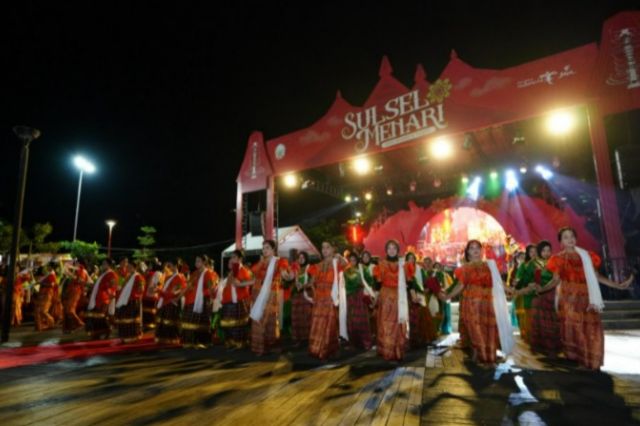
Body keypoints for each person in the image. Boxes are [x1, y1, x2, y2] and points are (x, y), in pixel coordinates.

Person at [545, 227, 633, 370]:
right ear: (560, 241)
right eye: (566, 237)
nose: (570, 239)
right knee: (576, 329)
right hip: (568, 300)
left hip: (587, 298)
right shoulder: (558, 259)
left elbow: (597, 277)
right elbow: (555, 281)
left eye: (572, 236)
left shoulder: (586, 256)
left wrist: (617, 285)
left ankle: (591, 360)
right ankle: (580, 359)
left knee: (591, 328)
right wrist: (542, 289)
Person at [446, 240, 515, 366]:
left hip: (488, 303)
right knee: (476, 329)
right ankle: (482, 355)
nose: (475, 250)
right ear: (468, 252)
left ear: (482, 250)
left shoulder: (490, 266)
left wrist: (511, 290)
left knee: (489, 329)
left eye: (477, 247)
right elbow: (460, 285)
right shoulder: (465, 268)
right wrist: (448, 296)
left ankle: (489, 355)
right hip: (471, 303)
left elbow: (499, 282)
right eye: (471, 248)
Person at [373, 240, 413, 361]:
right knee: (385, 323)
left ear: (397, 250)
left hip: (400, 297)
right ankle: (387, 350)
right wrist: (375, 298)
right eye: (389, 248)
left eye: (394, 248)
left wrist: (414, 295)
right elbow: (377, 284)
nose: (391, 250)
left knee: (398, 323)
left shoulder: (404, 264)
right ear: (386, 250)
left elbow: (410, 283)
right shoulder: (381, 265)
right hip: (385, 297)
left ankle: (398, 349)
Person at [250, 241, 291, 356]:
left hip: (271, 294)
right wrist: (261, 262)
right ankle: (260, 348)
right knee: (258, 318)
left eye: (267, 248)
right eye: (263, 248)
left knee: (270, 319)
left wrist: (288, 276)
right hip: (258, 293)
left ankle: (272, 346)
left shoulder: (279, 261)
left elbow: (284, 273)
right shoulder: (261, 263)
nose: (264, 250)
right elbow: (253, 273)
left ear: (273, 249)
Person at [308, 241, 346, 360]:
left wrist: (340, 257)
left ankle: (329, 349)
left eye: (327, 247)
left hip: (330, 298)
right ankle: (317, 349)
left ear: (333, 249)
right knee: (317, 324)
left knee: (329, 324)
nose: (324, 250)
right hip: (319, 299)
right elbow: (311, 282)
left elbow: (347, 266)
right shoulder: (317, 266)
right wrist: (302, 285)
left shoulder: (337, 263)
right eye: (323, 248)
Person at [525, 240, 561, 356]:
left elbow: (557, 279)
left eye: (549, 250)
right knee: (540, 322)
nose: (546, 253)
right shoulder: (534, 264)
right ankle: (542, 347)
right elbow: (529, 279)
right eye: (544, 250)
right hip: (539, 296)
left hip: (553, 294)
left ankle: (553, 347)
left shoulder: (555, 262)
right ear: (539, 252)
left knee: (553, 321)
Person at [214, 250, 254, 350]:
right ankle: (231, 342)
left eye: (234, 257)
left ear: (240, 259)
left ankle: (239, 343)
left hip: (238, 301)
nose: (231, 259)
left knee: (238, 325)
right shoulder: (232, 271)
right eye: (231, 257)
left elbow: (249, 282)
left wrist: (239, 283)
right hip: (228, 301)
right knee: (228, 324)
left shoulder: (243, 270)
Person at [343, 252, 374, 351]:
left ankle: (366, 343)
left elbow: (370, 280)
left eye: (354, 260)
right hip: (350, 297)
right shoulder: (346, 271)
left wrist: (363, 284)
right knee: (351, 321)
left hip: (360, 297)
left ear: (357, 260)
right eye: (350, 260)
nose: (352, 262)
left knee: (362, 320)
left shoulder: (362, 268)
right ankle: (353, 343)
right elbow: (344, 283)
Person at [85, 259, 118, 339]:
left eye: (104, 264)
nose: (103, 265)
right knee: (96, 317)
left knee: (99, 316)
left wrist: (109, 295)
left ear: (109, 265)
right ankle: (98, 333)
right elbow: (97, 286)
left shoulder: (111, 274)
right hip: (98, 298)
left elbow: (113, 287)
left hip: (103, 299)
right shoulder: (103, 274)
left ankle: (106, 331)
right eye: (102, 263)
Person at [155, 260, 187, 344]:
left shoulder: (179, 277)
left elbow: (174, 293)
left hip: (172, 302)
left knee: (170, 321)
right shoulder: (169, 276)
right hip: (165, 301)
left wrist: (160, 291)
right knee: (164, 320)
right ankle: (164, 338)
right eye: (168, 266)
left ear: (176, 266)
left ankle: (172, 339)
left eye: (170, 266)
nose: (168, 268)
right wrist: (160, 291)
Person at [114, 261, 145, 342]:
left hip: (133, 301)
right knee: (124, 318)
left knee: (131, 319)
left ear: (135, 268)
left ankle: (133, 337)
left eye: (130, 267)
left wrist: (135, 294)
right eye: (127, 267)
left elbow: (141, 289)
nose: (128, 268)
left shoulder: (138, 276)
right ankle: (125, 337)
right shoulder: (128, 276)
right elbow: (123, 287)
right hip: (125, 300)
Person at [290, 251, 316, 347]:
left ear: (306, 258)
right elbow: (290, 279)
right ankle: (298, 339)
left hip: (307, 295)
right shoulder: (296, 269)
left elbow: (312, 282)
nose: (301, 259)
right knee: (297, 317)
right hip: (297, 296)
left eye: (303, 257)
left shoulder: (310, 268)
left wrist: (304, 286)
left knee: (307, 317)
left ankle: (310, 338)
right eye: (299, 257)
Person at [514, 245, 537, 342]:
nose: (534, 254)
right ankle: (528, 336)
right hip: (526, 293)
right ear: (527, 253)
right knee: (527, 315)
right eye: (531, 252)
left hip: (539, 293)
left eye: (535, 251)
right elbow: (518, 280)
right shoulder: (524, 265)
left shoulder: (542, 263)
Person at [62, 260, 90, 333]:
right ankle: (69, 328)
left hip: (76, 292)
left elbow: (80, 281)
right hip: (71, 292)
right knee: (67, 311)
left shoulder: (83, 271)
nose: (75, 265)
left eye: (76, 263)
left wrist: (71, 275)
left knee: (70, 310)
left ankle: (80, 323)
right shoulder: (78, 271)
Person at [142, 259, 164, 331]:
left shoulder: (153, 273)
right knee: (148, 311)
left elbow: (157, 284)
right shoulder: (155, 273)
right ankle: (149, 325)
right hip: (150, 295)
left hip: (149, 295)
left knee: (148, 311)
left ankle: (148, 325)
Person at [34, 263, 57, 331]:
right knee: (38, 310)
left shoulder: (52, 275)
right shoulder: (48, 275)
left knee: (43, 311)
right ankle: (40, 326)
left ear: (50, 267)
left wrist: (42, 283)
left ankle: (51, 323)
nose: (46, 268)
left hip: (47, 294)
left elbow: (52, 285)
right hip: (42, 294)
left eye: (47, 267)